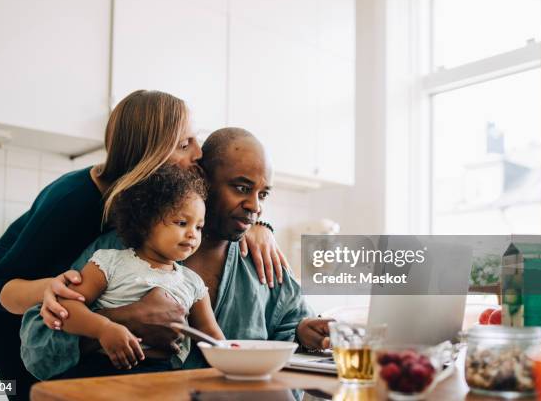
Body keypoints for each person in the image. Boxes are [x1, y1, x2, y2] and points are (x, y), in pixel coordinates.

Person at [0, 91, 286, 401]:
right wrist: (55, 289)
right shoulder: (73, 200)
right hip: (6, 306)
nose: (198, 154)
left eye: (195, 139)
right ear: (148, 152)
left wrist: (260, 226)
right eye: (184, 144)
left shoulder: (152, 197)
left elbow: (224, 205)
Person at [21, 127, 332, 378]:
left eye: (262, 194)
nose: (255, 206)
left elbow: (291, 331)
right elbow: (37, 349)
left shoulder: (264, 261)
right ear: (202, 180)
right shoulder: (121, 248)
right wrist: (116, 322)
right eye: (240, 188)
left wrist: (305, 334)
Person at [31, 165, 223, 378]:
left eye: (199, 227)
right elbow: (66, 308)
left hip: (161, 376)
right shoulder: (109, 262)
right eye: (182, 223)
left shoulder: (193, 283)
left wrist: (237, 362)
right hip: (99, 370)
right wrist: (103, 329)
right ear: (145, 222)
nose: (192, 235)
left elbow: (210, 334)